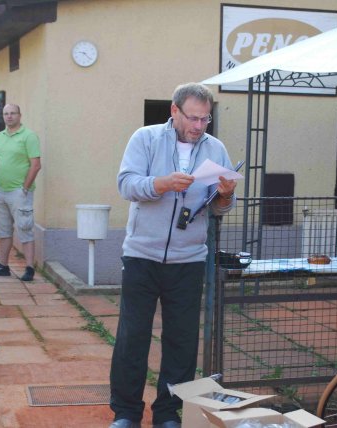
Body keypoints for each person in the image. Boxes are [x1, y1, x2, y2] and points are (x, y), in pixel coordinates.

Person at [109, 82, 238, 428]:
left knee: (182, 342)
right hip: (141, 256)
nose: (198, 126)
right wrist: (162, 184)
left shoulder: (215, 148)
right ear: (174, 111)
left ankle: (168, 414)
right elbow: (126, 184)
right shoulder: (146, 139)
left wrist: (226, 194)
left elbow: (220, 208)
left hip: (189, 259)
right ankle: (126, 413)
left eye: (205, 119)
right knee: (132, 337)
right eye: (193, 118)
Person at [0, 103, 41, 281]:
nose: (9, 116)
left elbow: (36, 165)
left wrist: (25, 188)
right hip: (0, 190)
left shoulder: (29, 136)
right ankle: (3, 266)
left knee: (25, 229)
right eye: (6, 113)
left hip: (19, 192)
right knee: (3, 230)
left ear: (19, 115)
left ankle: (29, 268)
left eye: (13, 113)